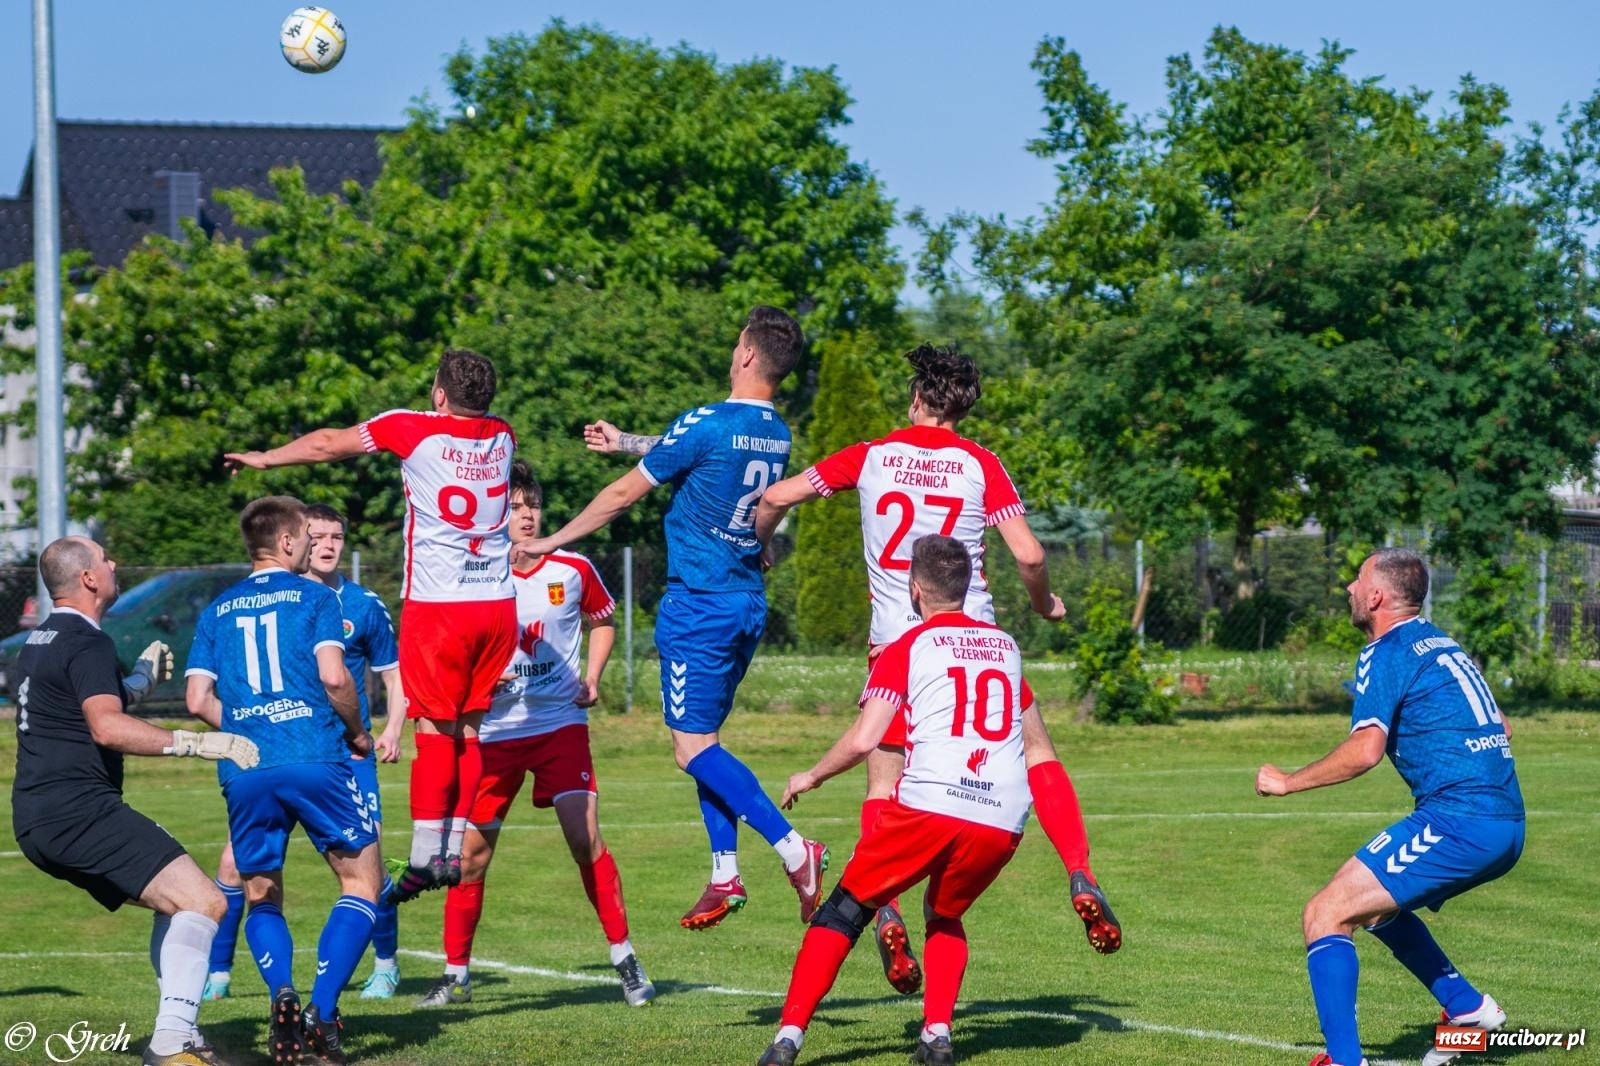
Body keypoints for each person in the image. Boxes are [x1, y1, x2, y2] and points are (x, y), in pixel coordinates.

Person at [752, 344, 1116, 995]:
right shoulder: (981, 464)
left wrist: (762, 547)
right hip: (975, 644)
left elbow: (778, 494)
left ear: (917, 398)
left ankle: (884, 906)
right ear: (963, 407)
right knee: (1035, 751)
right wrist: (1044, 600)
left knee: (883, 790)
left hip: (897, 647)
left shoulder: (868, 456)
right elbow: (1029, 554)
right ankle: (1079, 870)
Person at [523, 305, 828, 930]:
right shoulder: (775, 433)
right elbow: (701, 458)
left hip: (700, 602)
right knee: (702, 744)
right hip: (744, 599)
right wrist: (627, 442)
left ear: (746, 353)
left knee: (692, 750)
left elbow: (621, 495)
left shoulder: (709, 419)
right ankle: (723, 874)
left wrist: (552, 540)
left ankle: (797, 850)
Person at [757, 535, 1111, 1066]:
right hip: (1003, 817)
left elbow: (862, 740)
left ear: (915, 589)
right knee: (945, 914)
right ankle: (937, 1036)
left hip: (931, 804)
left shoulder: (906, 647)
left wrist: (812, 774)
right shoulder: (1006, 647)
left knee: (843, 911)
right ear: (966, 589)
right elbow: (1039, 749)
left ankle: (788, 1040)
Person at [224, 349, 518, 904]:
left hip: (442, 605)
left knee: (433, 733)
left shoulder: (409, 428)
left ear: (438, 394)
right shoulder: (504, 436)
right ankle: (455, 845)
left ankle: (430, 856)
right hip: (498, 603)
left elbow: (324, 444)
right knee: (472, 730)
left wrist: (265, 459)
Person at [1255, 548, 1525, 1066]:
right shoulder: (1442, 643)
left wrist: (1288, 782)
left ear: (1376, 596)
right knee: (1370, 903)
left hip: (1461, 821)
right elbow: (1503, 726)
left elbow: (1364, 753)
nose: (1350, 590)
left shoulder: (1386, 651)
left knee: (1325, 913)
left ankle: (1344, 1060)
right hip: (1502, 822)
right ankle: (1466, 1008)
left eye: (1357, 582)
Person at [12, 535, 259, 1066]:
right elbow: (105, 726)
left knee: (173, 905)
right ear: (88, 579)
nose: (114, 563)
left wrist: (140, 682)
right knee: (204, 900)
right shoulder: (88, 641)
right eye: (105, 558)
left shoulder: (42, 639)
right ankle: (172, 1042)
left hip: (38, 817)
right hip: (79, 812)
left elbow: (77, 701)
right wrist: (194, 742)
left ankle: (177, 1030)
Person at [419, 461, 655, 1008]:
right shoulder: (473, 575)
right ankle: (456, 976)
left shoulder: (572, 568)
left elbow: (602, 620)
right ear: (495, 513)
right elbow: (448, 645)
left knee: (584, 838)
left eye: (531, 507)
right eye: (514, 507)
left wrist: (592, 678)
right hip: (494, 732)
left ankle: (625, 961)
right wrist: (478, 675)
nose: (525, 516)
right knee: (471, 858)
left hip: (558, 726)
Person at [185, 496, 384, 1066]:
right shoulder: (317, 597)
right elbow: (334, 677)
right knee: (361, 882)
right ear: (290, 542)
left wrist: (252, 726)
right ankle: (322, 1011)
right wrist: (357, 732)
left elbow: (199, 700)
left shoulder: (216, 609)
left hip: (247, 765)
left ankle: (283, 997)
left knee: (261, 894)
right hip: (315, 755)